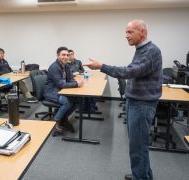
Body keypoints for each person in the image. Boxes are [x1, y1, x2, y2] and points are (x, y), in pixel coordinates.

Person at [83, 19, 162, 180]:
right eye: (126, 32)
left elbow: (130, 72)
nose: (126, 35)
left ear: (143, 32)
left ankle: (140, 177)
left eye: (130, 32)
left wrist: (101, 66)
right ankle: (143, 175)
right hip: (136, 102)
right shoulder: (141, 49)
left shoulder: (151, 51)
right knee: (138, 146)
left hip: (142, 105)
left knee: (138, 147)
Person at [44, 46, 84, 135]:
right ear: (58, 55)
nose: (65, 57)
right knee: (67, 102)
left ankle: (63, 117)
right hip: (51, 92)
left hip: (61, 90)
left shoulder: (66, 66)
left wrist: (76, 82)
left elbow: (70, 79)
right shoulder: (54, 67)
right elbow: (60, 84)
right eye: (63, 55)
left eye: (67, 55)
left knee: (78, 100)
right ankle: (56, 121)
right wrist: (76, 84)